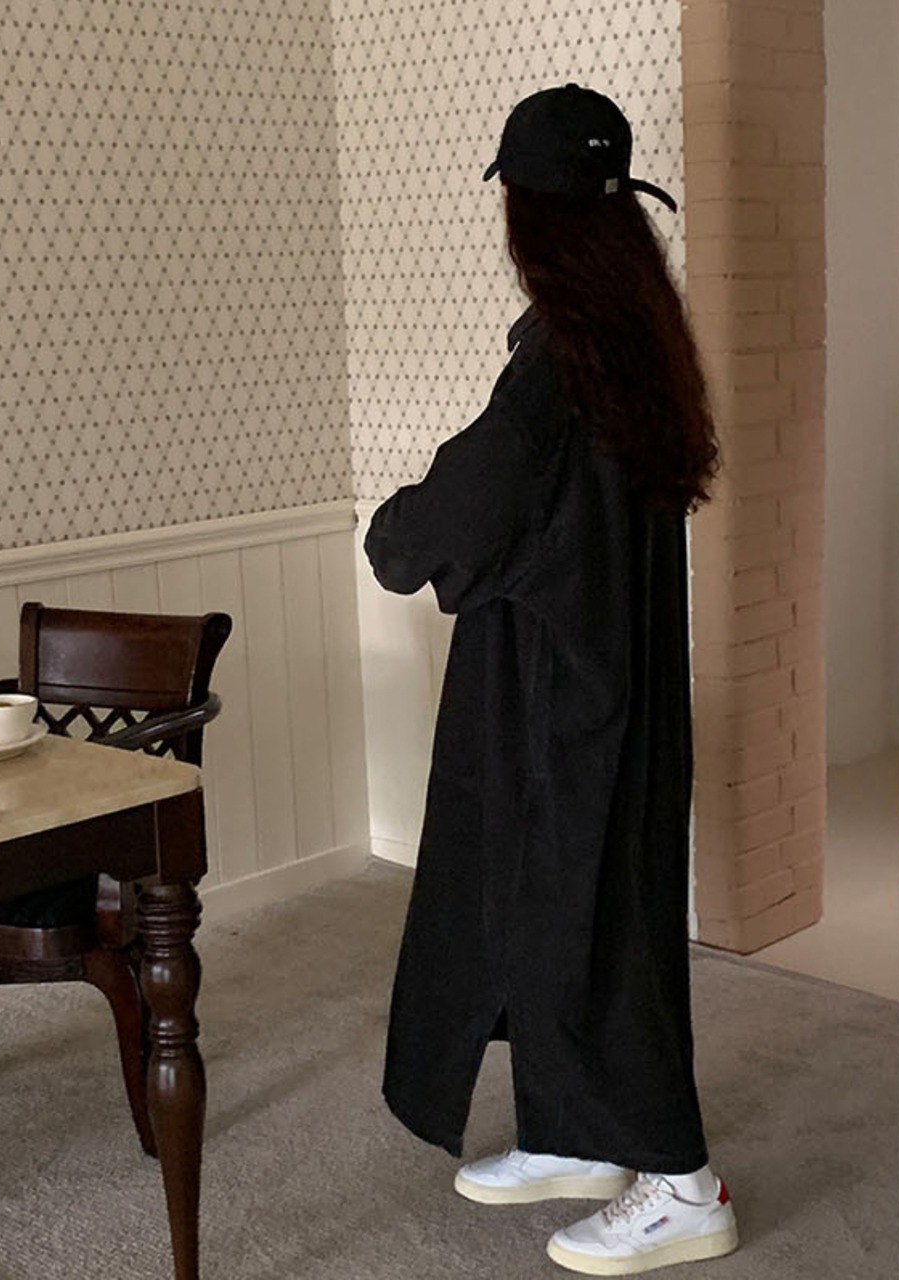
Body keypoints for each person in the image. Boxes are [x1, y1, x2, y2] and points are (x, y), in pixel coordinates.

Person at [364, 84, 737, 1275]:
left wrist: (393, 525)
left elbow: (454, 515)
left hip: (562, 703)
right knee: (562, 913)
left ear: (530, 215)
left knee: (592, 924)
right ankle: (577, 1128)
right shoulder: (630, 340)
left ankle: (681, 1184)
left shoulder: (558, 369)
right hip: (609, 683)